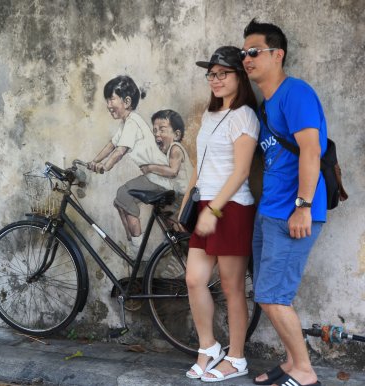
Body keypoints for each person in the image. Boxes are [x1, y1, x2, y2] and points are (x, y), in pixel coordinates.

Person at [242, 18, 327, 386]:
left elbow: (311, 150)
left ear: (278, 54)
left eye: (254, 52)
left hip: (294, 213)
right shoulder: (267, 103)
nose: (247, 59)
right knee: (267, 296)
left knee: (275, 297)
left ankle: (305, 372)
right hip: (270, 213)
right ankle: (293, 363)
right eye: (245, 53)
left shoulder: (296, 93)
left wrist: (303, 205)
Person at [182, 46, 259, 382]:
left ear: (238, 77)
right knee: (194, 279)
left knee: (231, 288)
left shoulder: (245, 116)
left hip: (232, 208)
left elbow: (241, 171)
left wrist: (214, 209)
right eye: (211, 74)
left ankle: (237, 357)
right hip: (206, 206)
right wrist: (189, 201)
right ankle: (209, 346)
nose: (214, 79)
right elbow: (201, 167)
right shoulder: (210, 115)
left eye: (222, 73)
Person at [87, 75, 172, 254]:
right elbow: (112, 144)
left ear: (126, 101)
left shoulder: (133, 122)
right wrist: (95, 161)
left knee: (123, 194)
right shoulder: (126, 123)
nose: (108, 105)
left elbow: (120, 150)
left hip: (159, 176)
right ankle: (133, 243)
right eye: (107, 100)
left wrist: (105, 166)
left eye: (111, 99)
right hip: (153, 176)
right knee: (120, 202)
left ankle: (138, 249)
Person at [140, 109, 193, 209]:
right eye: (155, 130)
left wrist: (150, 168)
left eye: (162, 130)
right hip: (180, 194)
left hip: (186, 196)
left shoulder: (175, 148)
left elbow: (173, 172)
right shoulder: (168, 151)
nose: (156, 134)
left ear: (176, 135)